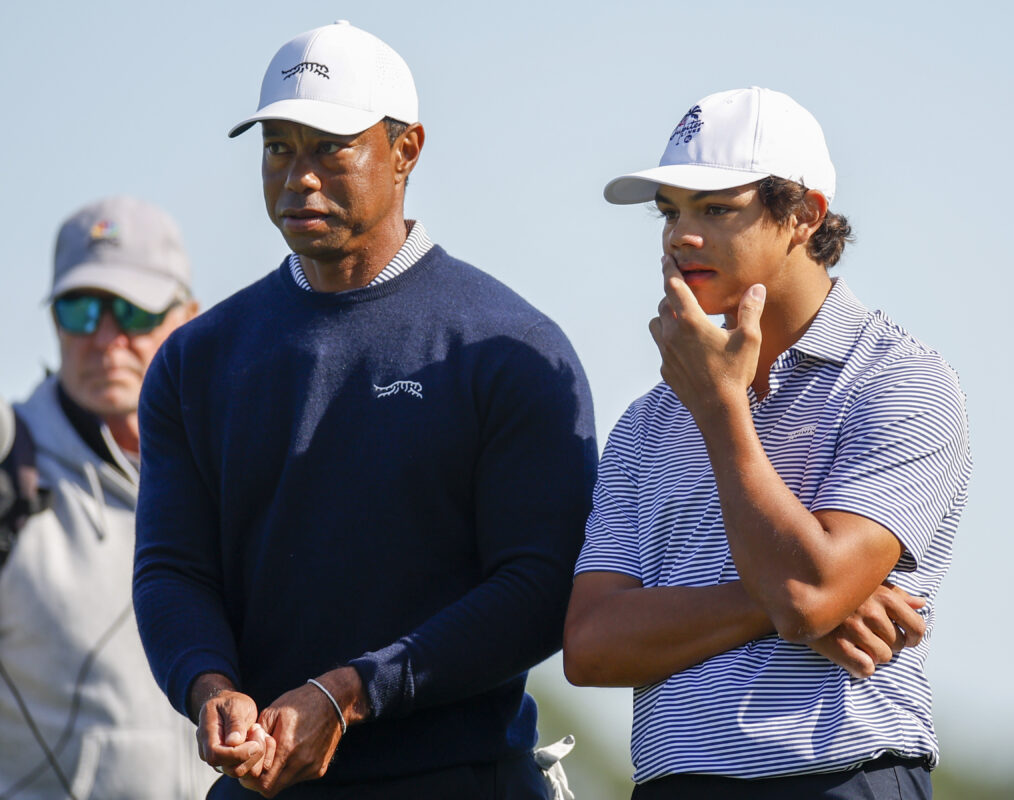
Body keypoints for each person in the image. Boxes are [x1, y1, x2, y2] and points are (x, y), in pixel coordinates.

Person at [132, 20, 596, 800]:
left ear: (407, 148)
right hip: (261, 784)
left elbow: (542, 587)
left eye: (329, 147)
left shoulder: (508, 345)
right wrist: (209, 688)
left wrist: (350, 694)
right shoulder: (196, 357)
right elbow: (172, 570)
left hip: (462, 781)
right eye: (279, 147)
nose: (298, 177)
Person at [563, 87, 971, 798]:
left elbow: (810, 595)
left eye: (716, 209)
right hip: (674, 783)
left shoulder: (904, 381)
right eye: (670, 211)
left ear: (804, 216)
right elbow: (593, 644)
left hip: (842, 776)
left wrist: (723, 412)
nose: (679, 235)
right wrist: (778, 603)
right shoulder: (647, 420)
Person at [0, 196, 212, 798]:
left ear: (189, 321)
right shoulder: (7, 470)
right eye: (80, 309)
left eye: (133, 311)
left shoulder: (239, 475)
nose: (106, 338)